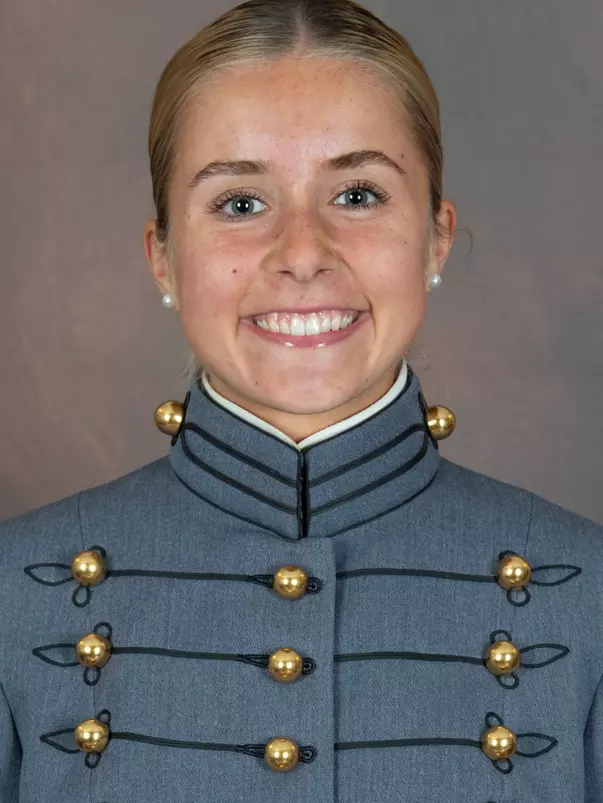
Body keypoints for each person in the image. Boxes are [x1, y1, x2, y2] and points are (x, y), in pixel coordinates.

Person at [0, 0, 601, 801]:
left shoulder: (587, 592)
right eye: (240, 203)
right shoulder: (14, 591)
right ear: (163, 258)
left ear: (435, 236)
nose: (302, 254)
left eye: (356, 194)